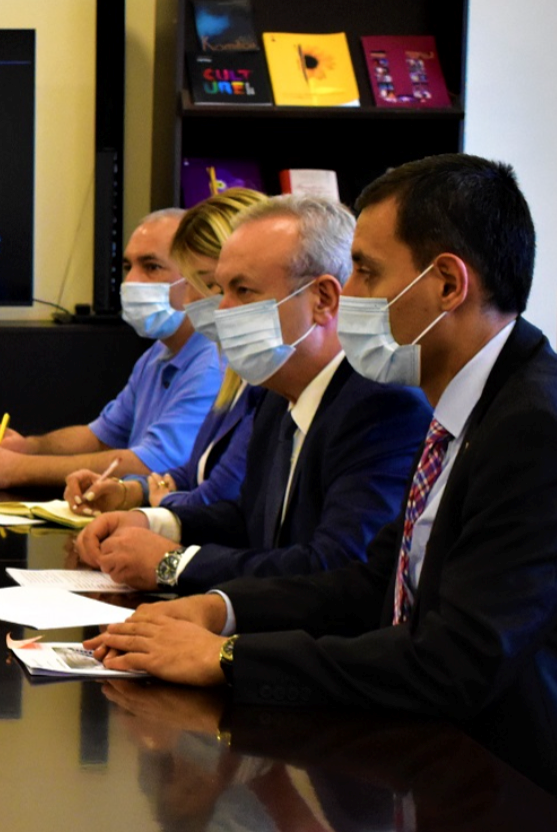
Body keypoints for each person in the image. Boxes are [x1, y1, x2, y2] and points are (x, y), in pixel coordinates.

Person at [88, 154, 557, 832]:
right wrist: (221, 607)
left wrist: (229, 657)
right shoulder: (474, 408)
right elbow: (371, 584)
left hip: (539, 828)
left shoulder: (540, 430)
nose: (347, 293)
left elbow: (451, 664)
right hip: (453, 777)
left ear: (447, 283)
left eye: (367, 271)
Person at [73, 194, 431, 592]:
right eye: (220, 289)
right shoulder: (277, 395)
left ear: (323, 300)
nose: (222, 311)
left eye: (243, 291)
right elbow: (250, 520)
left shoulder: (382, 408)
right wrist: (154, 522)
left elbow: (336, 566)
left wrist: (171, 563)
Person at [0, 210, 222, 490]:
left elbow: (153, 464)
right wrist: (27, 447)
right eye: (127, 267)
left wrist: (18, 469)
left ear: (200, 279)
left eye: (151, 266)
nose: (131, 281)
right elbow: (101, 436)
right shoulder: (158, 354)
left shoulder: (212, 364)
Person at [65, 188, 268, 514]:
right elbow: (194, 476)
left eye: (210, 285)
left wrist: (158, 514)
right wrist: (132, 491)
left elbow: (212, 499)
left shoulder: (221, 367)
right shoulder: (182, 360)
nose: (188, 301)